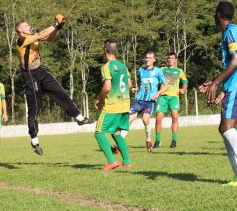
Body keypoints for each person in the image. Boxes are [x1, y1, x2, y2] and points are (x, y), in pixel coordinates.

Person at [15, 13, 94, 156]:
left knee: (60, 92)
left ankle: (79, 118)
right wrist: (54, 23)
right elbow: (40, 35)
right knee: (35, 109)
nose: (29, 26)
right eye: (26, 26)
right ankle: (34, 140)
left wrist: (58, 27)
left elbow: (48, 38)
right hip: (30, 76)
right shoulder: (21, 41)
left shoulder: (33, 39)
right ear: (20, 30)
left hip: (40, 71)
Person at [201, 1, 237, 186]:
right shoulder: (232, 31)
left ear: (218, 14)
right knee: (226, 128)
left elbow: (236, 60)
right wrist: (214, 81)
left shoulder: (232, 32)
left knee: (226, 127)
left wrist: (217, 83)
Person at [94, 39, 133, 171]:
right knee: (116, 133)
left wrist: (99, 99)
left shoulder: (106, 67)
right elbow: (130, 84)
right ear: (115, 50)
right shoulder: (123, 66)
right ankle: (127, 161)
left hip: (113, 106)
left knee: (99, 133)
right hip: (125, 105)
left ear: (105, 50)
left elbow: (107, 87)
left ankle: (112, 161)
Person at [120, 50, 168, 152]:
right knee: (128, 120)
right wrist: (135, 89)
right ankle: (119, 144)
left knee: (145, 119)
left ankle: (148, 139)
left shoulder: (158, 71)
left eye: (150, 58)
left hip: (150, 100)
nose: (148, 60)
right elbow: (143, 84)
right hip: (139, 99)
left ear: (154, 60)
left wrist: (158, 93)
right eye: (146, 57)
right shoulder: (141, 70)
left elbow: (166, 85)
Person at [153, 53, 188, 148]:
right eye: (169, 58)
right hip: (162, 96)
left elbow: (185, 82)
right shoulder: (162, 69)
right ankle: (157, 141)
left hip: (174, 97)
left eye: (172, 58)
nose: (170, 60)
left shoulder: (179, 71)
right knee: (158, 118)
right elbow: (154, 77)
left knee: (175, 116)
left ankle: (174, 140)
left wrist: (183, 89)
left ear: (176, 60)